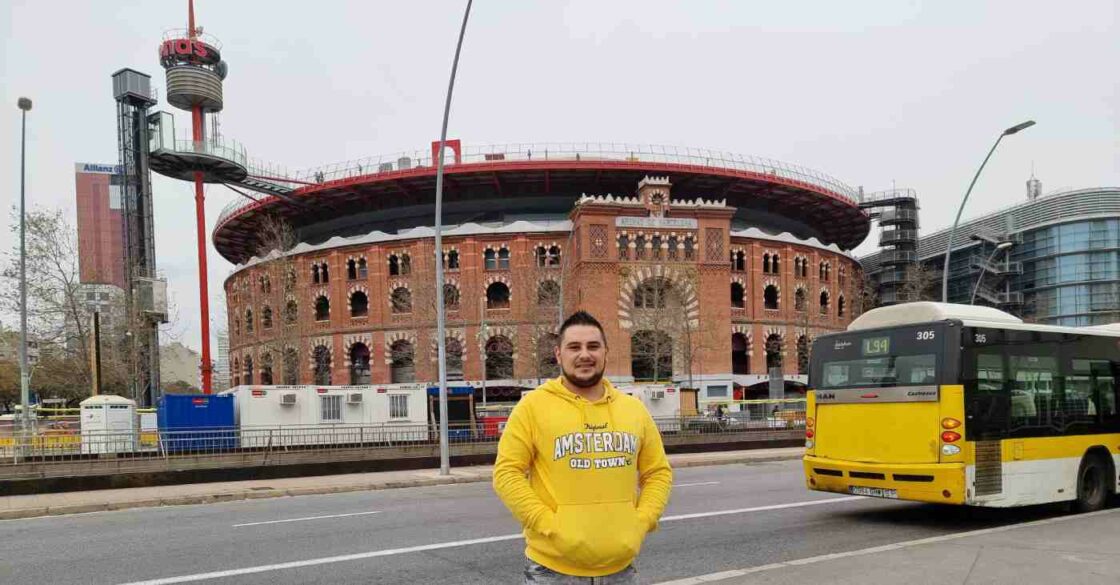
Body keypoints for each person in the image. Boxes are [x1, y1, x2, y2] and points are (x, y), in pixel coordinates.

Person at [494, 311, 673, 584]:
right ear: (558, 354)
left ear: (606, 352)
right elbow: (507, 474)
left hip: (620, 569)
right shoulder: (532, 407)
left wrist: (642, 520)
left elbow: (658, 473)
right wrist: (547, 523)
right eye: (574, 347)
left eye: (593, 346)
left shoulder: (633, 410)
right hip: (553, 571)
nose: (584, 355)